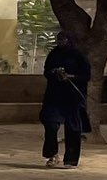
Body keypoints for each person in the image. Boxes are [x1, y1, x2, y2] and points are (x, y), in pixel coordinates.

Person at [40, 33, 93, 169]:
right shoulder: (54, 54)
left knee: (73, 128)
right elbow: (46, 71)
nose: (60, 42)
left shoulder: (78, 56)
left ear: (69, 40)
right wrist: (55, 73)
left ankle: (70, 160)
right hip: (54, 96)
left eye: (63, 39)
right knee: (50, 124)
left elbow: (86, 76)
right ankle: (52, 155)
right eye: (59, 39)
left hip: (72, 97)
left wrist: (71, 77)